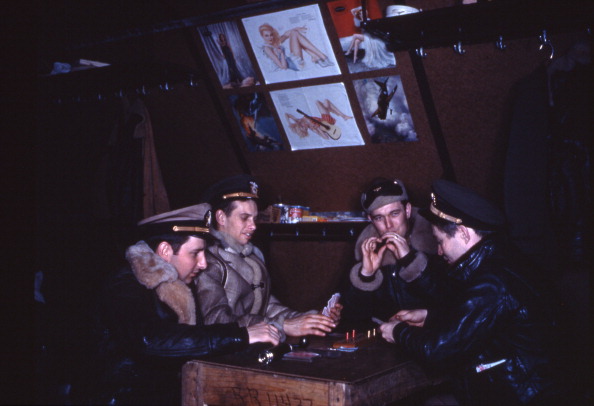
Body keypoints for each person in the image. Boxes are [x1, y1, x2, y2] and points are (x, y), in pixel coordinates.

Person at [379, 179, 567, 406]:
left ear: (463, 233)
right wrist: (431, 317)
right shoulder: (501, 259)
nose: (438, 251)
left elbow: (439, 352)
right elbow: (489, 322)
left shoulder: (492, 282)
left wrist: (398, 332)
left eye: (440, 242)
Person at [93, 204, 280, 405]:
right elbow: (153, 339)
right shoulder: (125, 284)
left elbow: (197, 339)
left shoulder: (180, 286)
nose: (203, 264)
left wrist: (255, 344)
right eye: (195, 253)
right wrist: (241, 335)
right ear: (165, 250)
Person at [195, 174, 342, 341]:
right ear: (221, 217)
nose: (253, 226)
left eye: (254, 218)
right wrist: (280, 326)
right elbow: (216, 322)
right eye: (244, 218)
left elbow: (268, 307)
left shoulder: (252, 258)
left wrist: (311, 319)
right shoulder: (207, 262)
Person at [339, 178, 437, 331]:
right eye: (379, 218)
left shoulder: (438, 244)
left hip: (431, 337)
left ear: (408, 210)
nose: (388, 225)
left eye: (394, 213)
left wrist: (410, 261)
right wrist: (366, 275)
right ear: (370, 219)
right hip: (385, 340)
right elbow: (351, 319)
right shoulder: (365, 252)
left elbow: (450, 304)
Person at [258, 23, 334, 71]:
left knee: (294, 33)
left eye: (271, 35)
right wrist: (281, 54)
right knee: (295, 34)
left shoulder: (274, 43)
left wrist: (296, 28)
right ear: (262, 36)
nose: (270, 37)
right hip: (294, 64)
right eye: (266, 36)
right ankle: (321, 57)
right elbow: (283, 67)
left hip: (292, 61)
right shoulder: (267, 48)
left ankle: (318, 57)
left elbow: (286, 35)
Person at [285, 99, 352, 140]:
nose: (306, 127)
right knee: (318, 102)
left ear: (299, 126)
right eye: (306, 129)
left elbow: (286, 114)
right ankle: (343, 116)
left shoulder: (298, 120)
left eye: (303, 127)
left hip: (324, 118)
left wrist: (289, 123)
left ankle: (337, 113)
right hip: (326, 122)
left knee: (326, 102)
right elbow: (326, 138)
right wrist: (319, 130)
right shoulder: (312, 128)